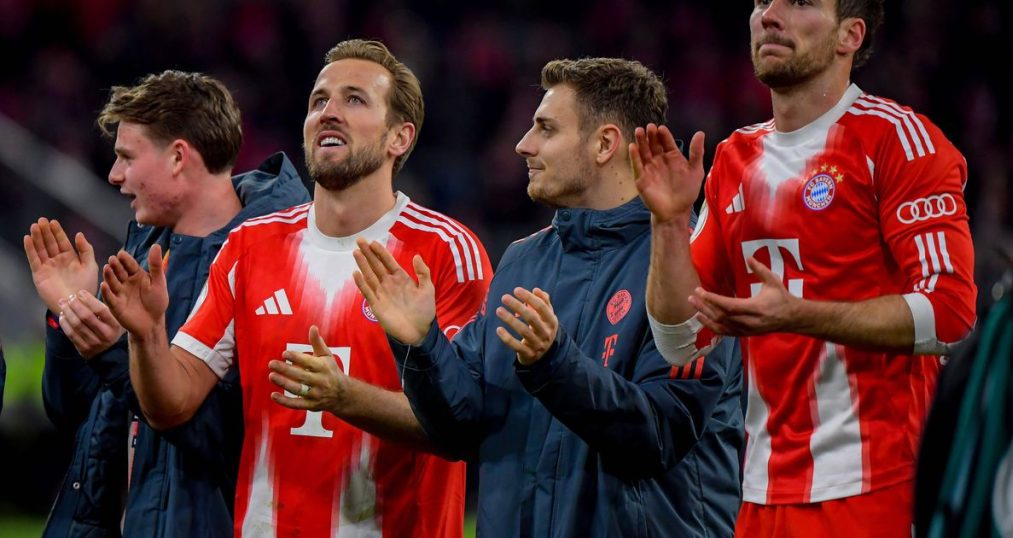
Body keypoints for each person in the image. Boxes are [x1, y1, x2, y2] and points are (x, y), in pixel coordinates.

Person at [101, 39, 491, 537]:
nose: (329, 112)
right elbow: (170, 404)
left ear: (399, 137)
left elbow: (463, 422)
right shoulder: (251, 244)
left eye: (354, 99)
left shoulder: (445, 251)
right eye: (319, 100)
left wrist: (344, 396)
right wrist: (147, 335)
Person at [353, 57, 744, 537]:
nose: (523, 145)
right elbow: (461, 425)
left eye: (545, 128)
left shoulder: (685, 266)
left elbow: (659, 434)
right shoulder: (523, 261)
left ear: (604, 144)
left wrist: (552, 363)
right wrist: (421, 345)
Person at [631, 0, 977, 536]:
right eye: (760, 1)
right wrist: (670, 223)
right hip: (761, 496)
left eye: (798, 2)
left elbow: (951, 314)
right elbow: (679, 341)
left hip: (878, 487)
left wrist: (798, 315)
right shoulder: (734, 158)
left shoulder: (899, 141)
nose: (769, 15)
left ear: (849, 35)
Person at [23, 70, 310, 537]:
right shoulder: (143, 252)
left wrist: (115, 351)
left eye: (126, 157)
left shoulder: (281, 262)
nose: (114, 175)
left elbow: (226, 437)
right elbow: (71, 410)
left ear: (178, 156)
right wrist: (68, 313)